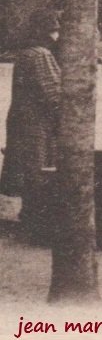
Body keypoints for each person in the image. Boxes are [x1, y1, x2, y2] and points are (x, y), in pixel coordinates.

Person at [1, 13, 61, 231]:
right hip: (37, 122)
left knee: (27, 168)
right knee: (39, 167)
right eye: (55, 30)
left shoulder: (26, 53)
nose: (57, 34)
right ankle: (36, 218)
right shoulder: (41, 55)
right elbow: (52, 92)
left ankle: (29, 212)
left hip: (21, 119)